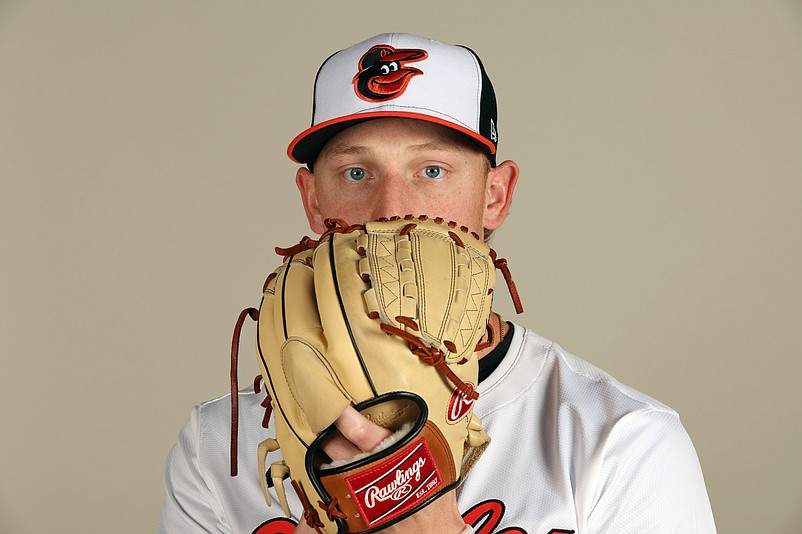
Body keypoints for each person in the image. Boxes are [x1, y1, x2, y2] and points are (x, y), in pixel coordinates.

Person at [160, 33, 716, 533]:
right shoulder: (218, 449)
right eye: (357, 173)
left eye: (432, 170)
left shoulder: (620, 441)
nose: (391, 210)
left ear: (494, 195)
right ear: (312, 198)